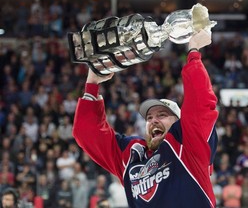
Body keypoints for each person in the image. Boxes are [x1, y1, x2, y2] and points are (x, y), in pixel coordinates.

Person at [73, 29, 219, 207]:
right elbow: (87, 134)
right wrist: (92, 82)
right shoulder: (133, 155)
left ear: (180, 123)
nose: (153, 120)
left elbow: (200, 102)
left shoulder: (188, 146)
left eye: (162, 115)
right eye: (149, 117)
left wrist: (194, 51)